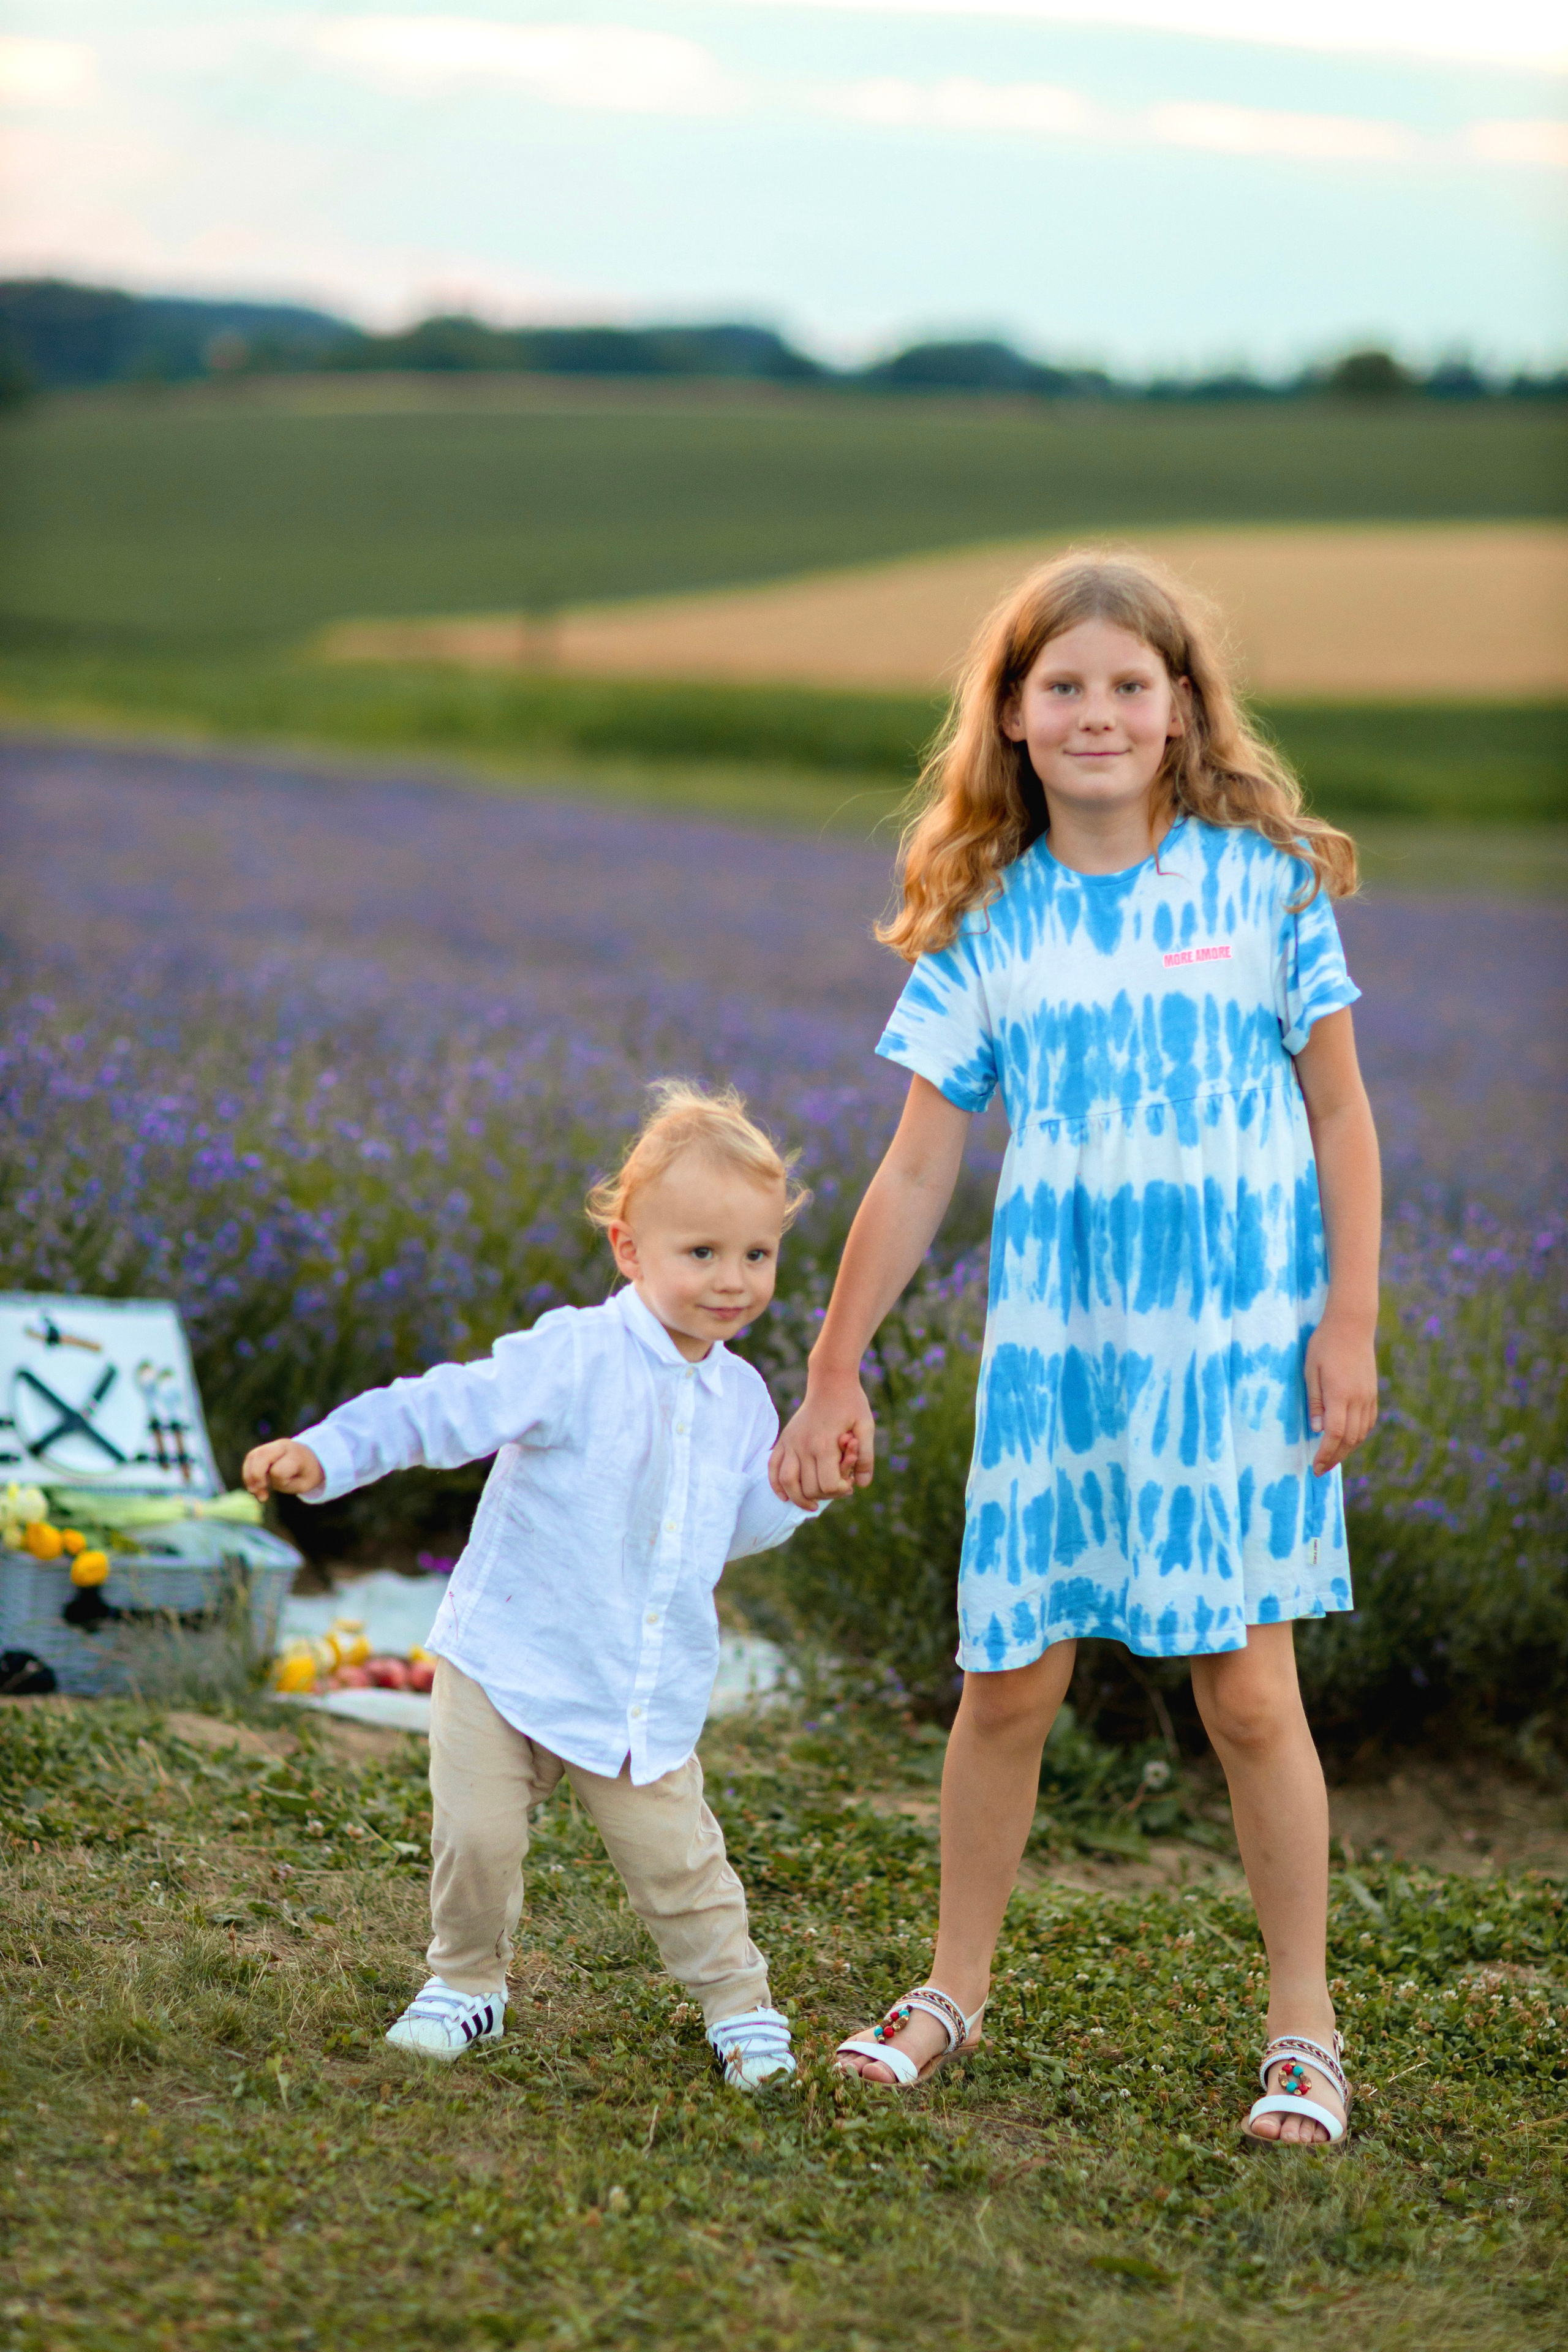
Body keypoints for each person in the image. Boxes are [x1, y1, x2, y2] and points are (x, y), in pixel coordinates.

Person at [771, 551, 1379, 2150]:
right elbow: (918, 1165)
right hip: (1059, 1366)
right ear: (1011, 716)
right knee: (1006, 1687)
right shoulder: (987, 918)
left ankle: (1304, 2033)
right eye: (1063, 687)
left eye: (1128, 684)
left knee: (1250, 1699)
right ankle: (949, 1992)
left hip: (1237, 1363)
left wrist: (1349, 1325)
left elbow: (1340, 1115)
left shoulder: (1262, 884)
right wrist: (832, 1367)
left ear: (1182, 709)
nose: (1096, 712)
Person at [244, 1081, 838, 2090]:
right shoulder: (575, 1355)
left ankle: (739, 2005)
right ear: (629, 1249)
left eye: (757, 1255)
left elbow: (723, 1534)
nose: (733, 1281)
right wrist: (329, 1452)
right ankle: (466, 1982)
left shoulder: (742, 1398)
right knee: (476, 1839)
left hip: (632, 1685)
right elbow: (443, 1408)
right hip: (508, 1657)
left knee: (680, 1866)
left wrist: (794, 1490)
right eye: (702, 1252)